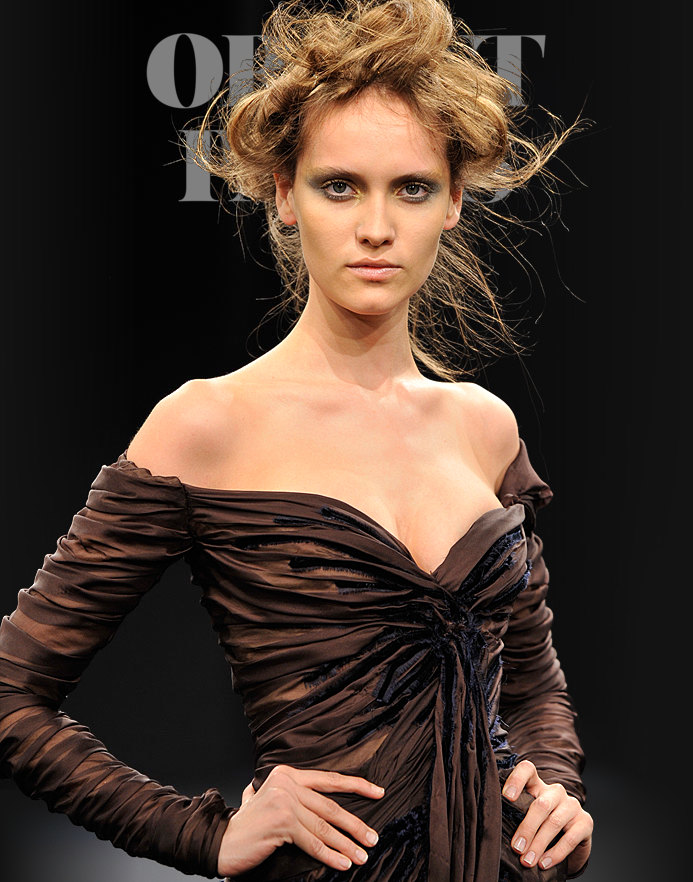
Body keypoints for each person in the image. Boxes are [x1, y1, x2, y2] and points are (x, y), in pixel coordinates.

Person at [0, 0, 593, 879]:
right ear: (284, 195)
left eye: (412, 188)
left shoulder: (483, 425)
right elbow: (13, 696)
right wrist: (199, 834)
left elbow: (533, 684)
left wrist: (557, 790)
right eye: (338, 185)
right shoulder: (206, 424)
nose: (376, 227)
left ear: (454, 203)